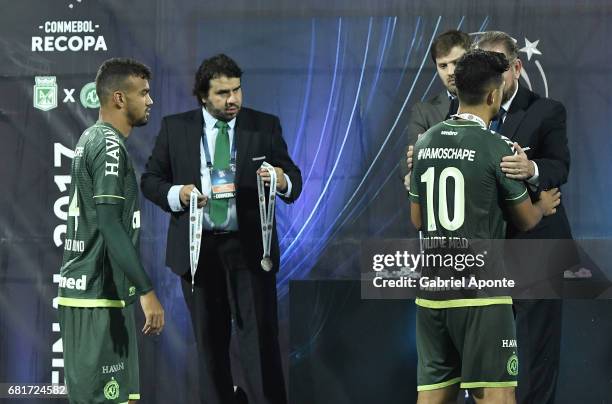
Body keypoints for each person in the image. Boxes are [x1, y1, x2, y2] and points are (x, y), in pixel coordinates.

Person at [141, 53, 302, 404]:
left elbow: (295, 181)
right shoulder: (175, 127)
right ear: (203, 96)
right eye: (223, 93)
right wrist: (178, 194)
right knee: (210, 349)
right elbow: (150, 181)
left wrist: (280, 179)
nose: (233, 100)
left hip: (249, 253)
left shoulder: (264, 126)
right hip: (198, 252)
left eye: (237, 90)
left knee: (260, 345)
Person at [409, 50, 560, 404]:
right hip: (482, 295)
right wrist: (541, 205)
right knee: (498, 395)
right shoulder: (497, 148)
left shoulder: (426, 142)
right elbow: (524, 220)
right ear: (494, 95)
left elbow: (417, 220)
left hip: (432, 293)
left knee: (433, 396)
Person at [475, 31, 577, 404]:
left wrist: (530, 167)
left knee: (536, 356)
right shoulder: (468, 114)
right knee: (489, 355)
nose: (492, 78)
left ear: (517, 67)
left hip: (537, 249)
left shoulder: (547, 111)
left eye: (499, 68)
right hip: (486, 251)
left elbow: (559, 166)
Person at [57, 58, 164, 404]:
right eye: (144, 93)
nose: (150, 101)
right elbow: (108, 222)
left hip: (104, 296)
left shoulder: (94, 138)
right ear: (119, 98)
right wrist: (147, 291)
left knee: (125, 400)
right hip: (95, 298)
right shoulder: (108, 145)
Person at [401, 29, 472, 190]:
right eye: (443, 65)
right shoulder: (423, 111)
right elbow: (409, 158)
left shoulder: (492, 102)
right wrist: (410, 175)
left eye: (457, 62)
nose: (451, 72)